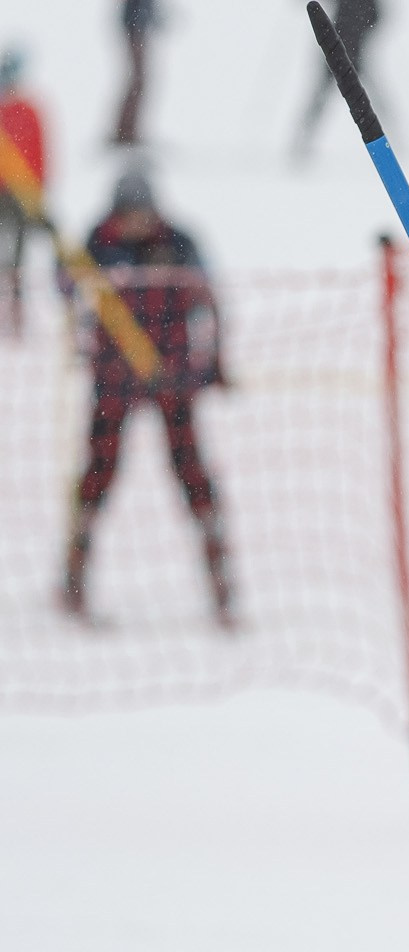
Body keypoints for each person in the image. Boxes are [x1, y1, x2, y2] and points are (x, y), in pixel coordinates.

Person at [61, 170, 229, 624]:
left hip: (171, 377)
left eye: (142, 213)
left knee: (192, 471)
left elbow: (210, 298)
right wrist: (72, 277)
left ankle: (221, 580)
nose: (136, 223)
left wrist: (215, 362)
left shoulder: (178, 243)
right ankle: (73, 575)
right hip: (113, 378)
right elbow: (66, 287)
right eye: (128, 214)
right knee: (98, 471)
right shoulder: (98, 242)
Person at [294, 1, 383, 161]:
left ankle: (389, 138)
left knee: (368, 100)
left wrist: (359, 31)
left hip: (348, 52)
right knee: (321, 98)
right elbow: (376, 17)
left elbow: (376, 17)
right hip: (339, 52)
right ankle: (303, 139)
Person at [0, 46, 42, 338]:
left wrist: (37, 193)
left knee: (17, 258)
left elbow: (40, 154)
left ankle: (16, 313)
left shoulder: (29, 111)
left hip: (22, 195)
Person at [111, 0, 159, 150]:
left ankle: (127, 131)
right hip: (135, 27)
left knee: (138, 79)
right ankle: (125, 132)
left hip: (137, 25)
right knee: (138, 79)